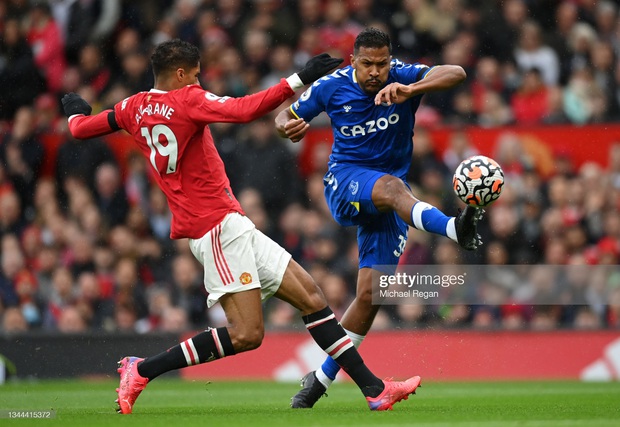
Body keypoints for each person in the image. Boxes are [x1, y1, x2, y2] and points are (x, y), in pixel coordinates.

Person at [62, 38, 421, 414]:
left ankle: (375, 390)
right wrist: (299, 79)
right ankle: (143, 369)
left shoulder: (131, 107)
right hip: (215, 228)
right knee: (247, 335)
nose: (200, 82)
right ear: (181, 74)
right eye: (197, 75)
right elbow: (243, 110)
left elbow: (81, 129)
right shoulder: (188, 100)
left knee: (312, 298)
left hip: (232, 223)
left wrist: (74, 112)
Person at [275, 27, 482, 408]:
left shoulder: (402, 75)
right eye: (367, 64)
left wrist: (411, 90)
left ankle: (318, 382)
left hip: (391, 198)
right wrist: (289, 126)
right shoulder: (331, 87)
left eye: (381, 64)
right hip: (346, 182)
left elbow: (457, 73)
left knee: (371, 295)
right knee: (389, 186)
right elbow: (283, 116)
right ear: (353, 60)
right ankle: (455, 228)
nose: (375, 72)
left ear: (390, 60)